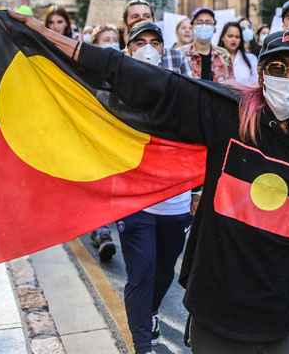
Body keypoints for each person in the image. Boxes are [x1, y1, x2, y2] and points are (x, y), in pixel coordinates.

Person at [11, 8, 289, 354]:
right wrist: (47, 37)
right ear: (261, 74)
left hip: (288, 315)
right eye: (277, 67)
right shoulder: (226, 113)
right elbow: (146, 81)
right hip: (219, 308)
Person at [110, 20, 195, 352]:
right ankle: (142, 345)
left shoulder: (181, 88)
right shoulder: (114, 91)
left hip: (175, 204)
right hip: (135, 202)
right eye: (139, 42)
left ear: (164, 48)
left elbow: (196, 138)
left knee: (162, 273)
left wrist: (198, 193)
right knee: (141, 273)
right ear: (128, 49)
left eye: (154, 42)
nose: (147, 48)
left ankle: (152, 310)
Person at [87, 25, 122, 262]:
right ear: (95, 45)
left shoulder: (126, 70)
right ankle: (102, 233)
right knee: (99, 188)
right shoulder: (86, 72)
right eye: (105, 40)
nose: (111, 43)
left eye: (114, 39)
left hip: (120, 139)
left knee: (116, 188)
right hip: (96, 138)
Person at [179, 7, 233, 82]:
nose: (204, 26)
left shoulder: (224, 55)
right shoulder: (180, 54)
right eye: (199, 22)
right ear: (192, 27)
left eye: (208, 22)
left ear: (214, 27)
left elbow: (231, 84)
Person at [218, 22, 257, 86]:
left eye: (237, 37)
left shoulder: (251, 58)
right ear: (222, 38)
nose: (234, 39)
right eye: (230, 36)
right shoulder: (215, 58)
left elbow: (256, 83)